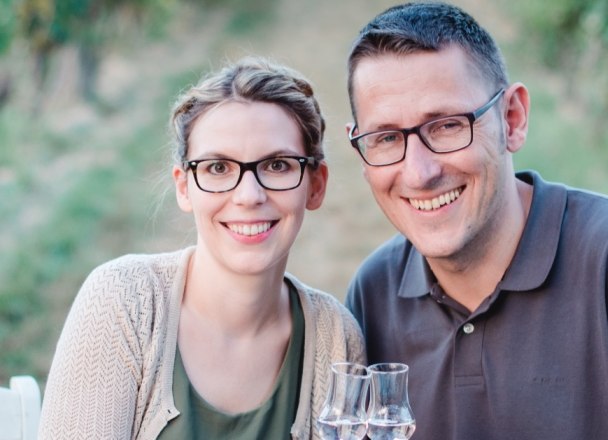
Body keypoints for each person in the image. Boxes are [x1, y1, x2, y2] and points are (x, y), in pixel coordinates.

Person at [344, 2, 608, 439]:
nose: (419, 172)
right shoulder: (373, 294)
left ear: (513, 119)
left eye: (447, 126)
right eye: (386, 138)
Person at [39, 56, 365, 439]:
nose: (249, 195)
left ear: (316, 185)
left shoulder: (335, 339)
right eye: (217, 168)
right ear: (183, 186)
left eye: (277, 165)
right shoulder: (122, 303)